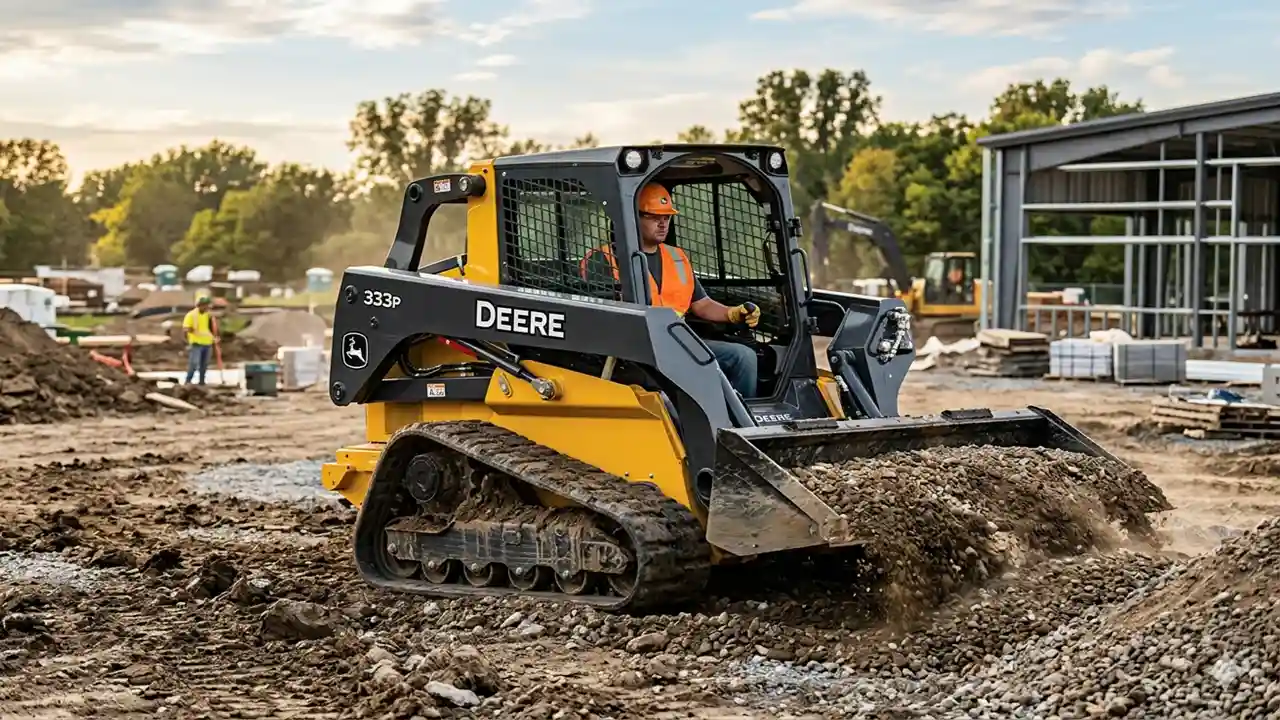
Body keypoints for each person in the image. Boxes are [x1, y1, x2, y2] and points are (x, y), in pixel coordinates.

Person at [580, 183, 761, 398]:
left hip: (680, 341)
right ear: (632, 217)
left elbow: (701, 304)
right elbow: (600, 315)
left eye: (666, 218)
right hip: (635, 348)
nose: (663, 224)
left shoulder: (677, 257)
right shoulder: (602, 259)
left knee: (744, 357)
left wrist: (732, 313)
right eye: (655, 217)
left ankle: (743, 423)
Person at [182, 296, 217, 385]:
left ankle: (202, 382)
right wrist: (192, 331)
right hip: (196, 343)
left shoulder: (208, 315)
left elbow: (212, 328)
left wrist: (215, 337)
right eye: (206, 306)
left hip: (207, 343)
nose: (207, 308)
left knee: (204, 365)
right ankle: (188, 382)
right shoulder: (191, 315)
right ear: (200, 305)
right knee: (194, 364)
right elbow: (186, 328)